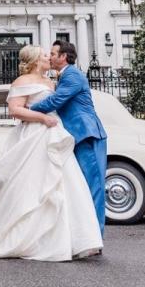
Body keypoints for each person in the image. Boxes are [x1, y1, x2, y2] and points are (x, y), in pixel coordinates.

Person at [0, 45, 102, 262]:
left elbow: (58, 104)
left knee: (64, 186)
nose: (49, 57)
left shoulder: (51, 82)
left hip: (54, 135)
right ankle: (28, 238)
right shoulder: (22, 82)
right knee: (32, 186)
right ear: (35, 60)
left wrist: (50, 119)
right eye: (45, 55)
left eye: (50, 54)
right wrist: (42, 118)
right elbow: (15, 110)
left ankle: (70, 240)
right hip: (34, 135)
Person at [30, 40, 108, 235]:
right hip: (76, 135)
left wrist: (29, 109)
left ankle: (96, 235)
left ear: (63, 57)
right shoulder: (64, 76)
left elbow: (57, 100)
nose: (50, 56)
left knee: (94, 186)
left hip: (86, 134)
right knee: (81, 187)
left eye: (53, 53)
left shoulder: (72, 75)